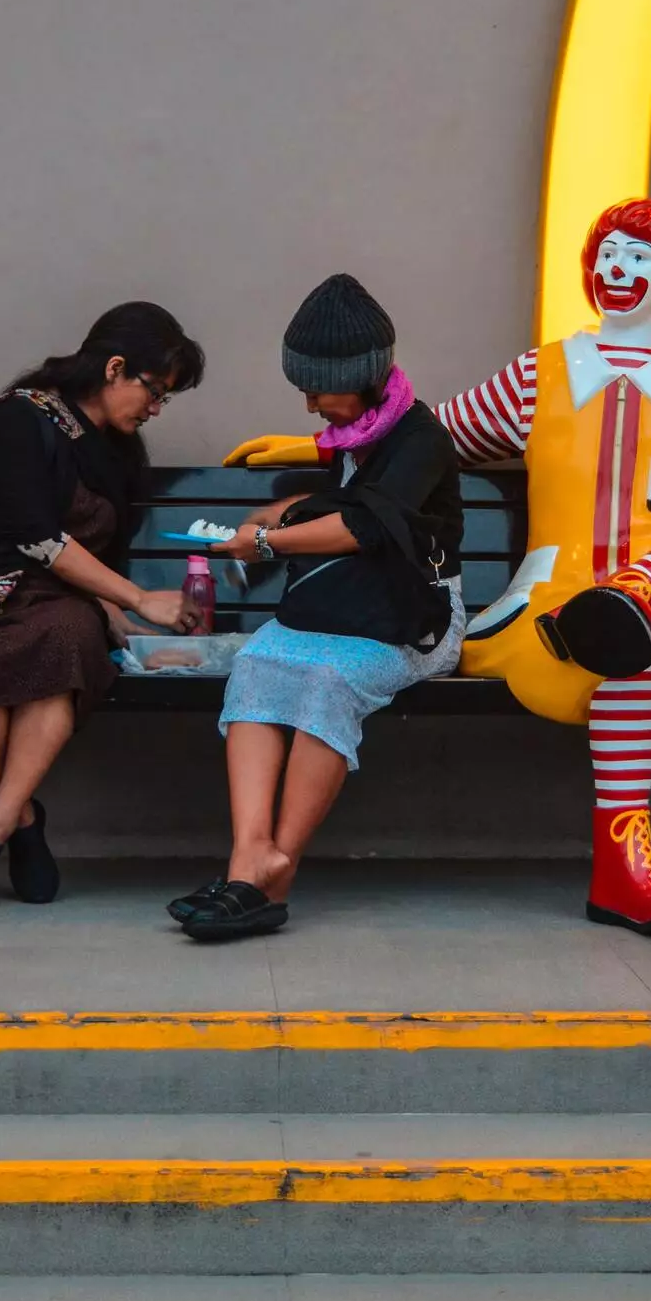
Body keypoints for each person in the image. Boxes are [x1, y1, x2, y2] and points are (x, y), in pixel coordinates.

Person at [227, 201, 651, 937]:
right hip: (551, 617)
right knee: (626, 652)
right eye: (607, 252)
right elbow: (424, 437)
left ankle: (638, 591)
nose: (618, 269)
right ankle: (624, 874)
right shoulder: (544, 373)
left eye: (640, 257)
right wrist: (314, 445)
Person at [169, 274, 464, 942]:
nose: (308, 404)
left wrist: (266, 540)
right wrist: (283, 511)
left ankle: (279, 870)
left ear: (360, 376)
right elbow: (338, 506)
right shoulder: (355, 433)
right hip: (348, 605)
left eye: (317, 388)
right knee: (259, 665)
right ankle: (250, 855)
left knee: (328, 679)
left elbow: (364, 529)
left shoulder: (419, 439)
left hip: (417, 618)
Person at [0, 302, 205, 912]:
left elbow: (97, 551)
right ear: (115, 368)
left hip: (63, 599)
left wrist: (112, 608)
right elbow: (38, 537)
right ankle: (24, 822)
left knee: (65, 645)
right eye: (156, 391)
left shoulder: (116, 449)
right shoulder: (18, 419)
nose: (156, 409)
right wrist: (137, 599)